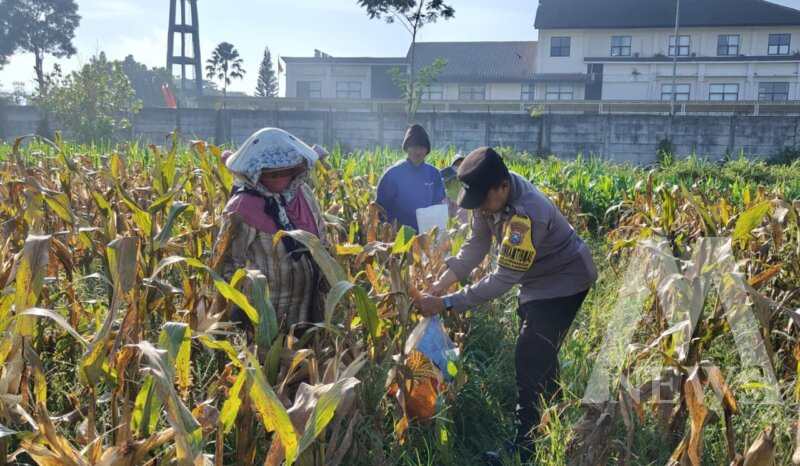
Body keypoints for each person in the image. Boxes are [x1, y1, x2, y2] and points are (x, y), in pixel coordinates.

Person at [413, 147, 597, 464]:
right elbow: (476, 246)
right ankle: (551, 414)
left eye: (484, 201)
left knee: (528, 352)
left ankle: (524, 448)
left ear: (502, 186)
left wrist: (444, 303)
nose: (481, 209)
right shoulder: (489, 197)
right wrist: (440, 283)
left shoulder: (527, 213)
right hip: (536, 281)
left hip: (565, 280)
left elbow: (503, 279)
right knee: (540, 347)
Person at [215, 127, 329, 332]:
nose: (280, 177)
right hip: (265, 321)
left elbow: (323, 238)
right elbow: (227, 265)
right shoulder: (242, 207)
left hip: (309, 313)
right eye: (272, 173)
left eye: (286, 171)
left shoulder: (303, 194)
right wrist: (237, 314)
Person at [376, 124, 446, 232]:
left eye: (422, 147)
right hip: (398, 237)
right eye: (414, 147)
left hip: (425, 236)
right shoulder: (393, 174)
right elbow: (380, 208)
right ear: (407, 149)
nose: (418, 152)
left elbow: (438, 204)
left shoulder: (434, 174)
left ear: (427, 150)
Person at [440, 154, 468, 223]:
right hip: (450, 201)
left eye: (462, 163)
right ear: (453, 166)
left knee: (462, 221)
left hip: (462, 203)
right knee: (449, 221)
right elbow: (442, 183)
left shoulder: (467, 175)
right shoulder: (448, 174)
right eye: (457, 164)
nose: (459, 166)